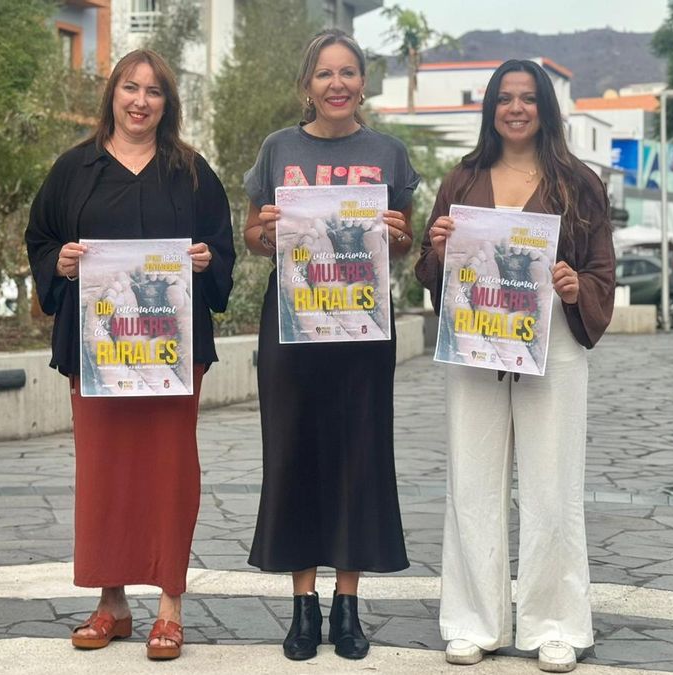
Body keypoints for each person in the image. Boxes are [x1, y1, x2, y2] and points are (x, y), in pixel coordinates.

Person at [25, 49, 235, 660]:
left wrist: (206, 261)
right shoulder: (74, 170)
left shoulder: (193, 173)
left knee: (171, 470)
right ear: (112, 94)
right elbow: (41, 237)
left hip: (171, 350)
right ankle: (111, 603)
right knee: (104, 471)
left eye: (154, 92)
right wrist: (58, 262)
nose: (140, 100)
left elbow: (222, 250)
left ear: (168, 104)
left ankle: (170, 606)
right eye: (130, 88)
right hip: (99, 350)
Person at [415, 59, 615, 672]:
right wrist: (441, 250)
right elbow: (428, 267)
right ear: (490, 108)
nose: (517, 108)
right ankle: (474, 620)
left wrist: (576, 287)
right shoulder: (463, 178)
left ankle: (555, 622)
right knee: (471, 483)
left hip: (551, 339)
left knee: (553, 486)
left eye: (528, 98)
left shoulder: (578, 183)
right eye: (505, 98)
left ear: (546, 108)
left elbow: (603, 270)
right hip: (477, 339)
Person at [242, 29, 419, 662]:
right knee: (294, 452)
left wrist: (399, 234)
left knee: (360, 454)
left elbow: (403, 243)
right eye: (324, 74)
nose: (336, 84)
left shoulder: (390, 153)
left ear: (363, 83)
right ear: (307, 85)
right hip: (293, 322)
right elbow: (253, 237)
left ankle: (348, 606)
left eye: (348, 73)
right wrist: (264, 231)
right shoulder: (278, 148)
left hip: (363, 325)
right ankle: (302, 605)